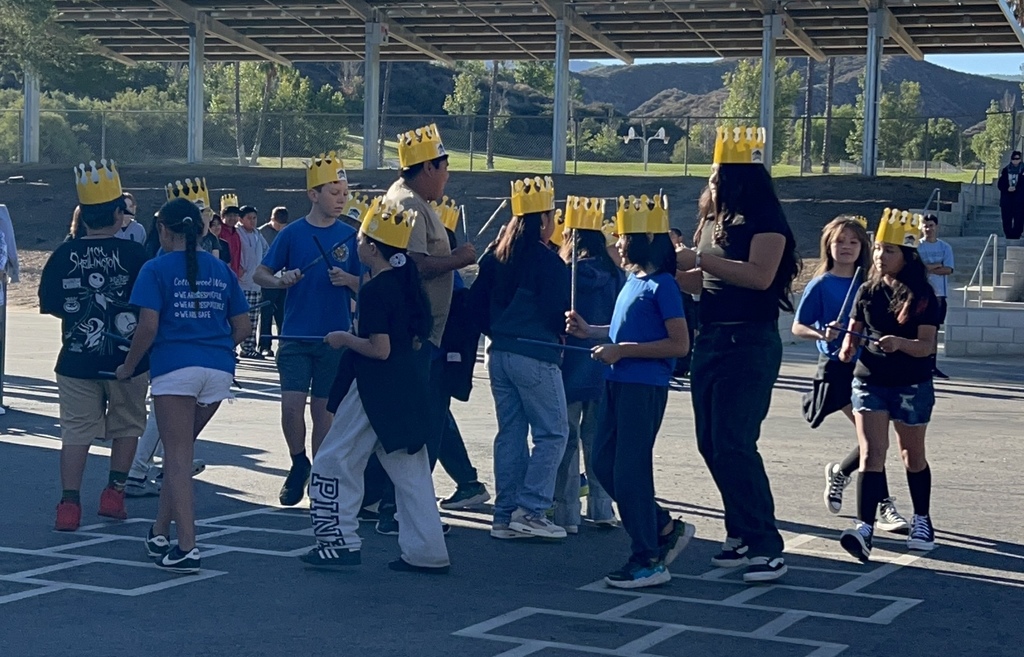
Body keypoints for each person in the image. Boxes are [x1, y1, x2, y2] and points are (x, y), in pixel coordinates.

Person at [675, 127, 801, 584]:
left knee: (735, 441)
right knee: (710, 442)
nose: (710, 182)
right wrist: (662, 271)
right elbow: (701, 283)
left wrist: (700, 259)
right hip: (710, 339)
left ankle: (766, 543)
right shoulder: (712, 222)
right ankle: (741, 531)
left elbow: (759, 276)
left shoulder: (767, 222)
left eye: (717, 174)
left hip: (749, 342)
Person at [302, 198, 450, 574]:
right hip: (407, 388)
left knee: (333, 460)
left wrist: (343, 338)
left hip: (372, 389)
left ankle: (337, 542)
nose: (358, 245)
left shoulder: (374, 290)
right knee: (411, 473)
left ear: (371, 247)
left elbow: (379, 349)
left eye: (361, 240)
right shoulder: (407, 285)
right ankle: (428, 552)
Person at [567, 193, 694, 588]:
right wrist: (592, 331)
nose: (617, 243)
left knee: (630, 471)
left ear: (645, 239)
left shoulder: (663, 285)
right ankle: (660, 525)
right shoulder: (632, 280)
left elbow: (679, 344)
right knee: (603, 464)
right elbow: (626, 329)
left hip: (644, 387)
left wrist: (622, 351)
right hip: (617, 382)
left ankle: (647, 558)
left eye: (623, 237)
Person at [116, 197, 250, 573]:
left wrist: (129, 366)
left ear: (163, 229)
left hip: (175, 368)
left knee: (176, 459)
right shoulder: (220, 269)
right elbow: (243, 327)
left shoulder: (155, 268)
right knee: (180, 452)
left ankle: (187, 546)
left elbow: (147, 327)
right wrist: (215, 348)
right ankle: (160, 531)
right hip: (218, 371)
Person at [372, 124, 477, 535]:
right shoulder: (408, 206)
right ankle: (397, 509)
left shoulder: (413, 201)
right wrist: (458, 259)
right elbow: (412, 265)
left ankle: (396, 505)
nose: (447, 177)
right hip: (415, 335)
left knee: (424, 420)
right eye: (444, 168)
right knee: (418, 424)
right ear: (428, 167)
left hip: (423, 334)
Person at [38, 160, 150, 532]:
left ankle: (69, 504)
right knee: (127, 425)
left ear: (82, 216)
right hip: (128, 359)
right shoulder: (136, 256)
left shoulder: (62, 254)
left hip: (75, 359)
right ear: (119, 214)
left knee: (75, 431)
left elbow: (52, 304)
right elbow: (150, 307)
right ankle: (113, 494)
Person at [253, 153, 361, 506]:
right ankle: (299, 462)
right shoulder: (292, 233)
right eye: (334, 192)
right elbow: (260, 274)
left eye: (344, 193)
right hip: (295, 335)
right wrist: (280, 280)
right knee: (291, 407)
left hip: (335, 338)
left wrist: (349, 280)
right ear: (313, 195)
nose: (341, 199)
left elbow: (372, 285)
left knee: (323, 413)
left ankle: (321, 475)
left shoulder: (351, 236)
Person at [469, 176, 570, 540]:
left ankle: (505, 514)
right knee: (553, 433)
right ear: (543, 220)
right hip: (535, 352)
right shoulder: (549, 262)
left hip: (497, 351)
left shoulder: (496, 256)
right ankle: (531, 509)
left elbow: (475, 303)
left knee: (510, 432)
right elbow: (557, 312)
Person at [792, 216, 909, 532]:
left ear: (863, 247)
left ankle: (842, 474)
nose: (846, 247)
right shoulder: (821, 284)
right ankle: (882, 505)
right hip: (838, 369)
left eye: (853, 242)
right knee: (875, 442)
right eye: (840, 241)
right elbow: (798, 326)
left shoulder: (871, 284)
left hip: (870, 366)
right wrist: (822, 334)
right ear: (828, 246)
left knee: (875, 441)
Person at [837, 209, 940, 562]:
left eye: (889, 250)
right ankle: (864, 527)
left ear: (907, 255)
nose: (880, 256)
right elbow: (853, 333)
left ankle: (922, 519)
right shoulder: (867, 289)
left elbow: (926, 346)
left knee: (912, 455)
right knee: (871, 453)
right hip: (870, 380)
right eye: (878, 248)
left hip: (911, 384)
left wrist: (899, 343)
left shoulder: (924, 296)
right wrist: (845, 345)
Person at [553, 197, 623, 533]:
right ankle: (602, 506)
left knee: (566, 441)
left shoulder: (566, 274)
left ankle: (567, 512)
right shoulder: (616, 275)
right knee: (598, 440)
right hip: (604, 365)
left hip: (569, 365)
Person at [431, 197, 491, 511]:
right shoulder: (448, 278)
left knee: (434, 419)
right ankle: (466, 481)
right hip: (443, 357)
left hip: (440, 357)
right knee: (438, 418)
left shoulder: (446, 281)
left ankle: (465, 481)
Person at [917, 214, 954, 380]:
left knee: (934, 331)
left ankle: (932, 365)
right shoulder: (917, 246)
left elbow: (948, 269)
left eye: (931, 225)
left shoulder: (945, 247)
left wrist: (927, 268)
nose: (928, 229)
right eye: (925, 226)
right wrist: (936, 265)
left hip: (938, 295)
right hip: (920, 294)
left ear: (936, 227)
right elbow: (917, 269)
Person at [236, 205, 270, 359]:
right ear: (241, 219)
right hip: (240, 283)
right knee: (237, 317)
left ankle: (248, 348)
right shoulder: (237, 232)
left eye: (254, 218)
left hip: (255, 283)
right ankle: (232, 347)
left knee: (253, 318)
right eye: (249, 218)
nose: (252, 221)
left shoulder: (258, 234)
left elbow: (267, 250)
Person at [258, 206, 289, 356]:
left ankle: (284, 344)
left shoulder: (288, 232)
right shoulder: (262, 233)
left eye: (283, 225)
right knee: (266, 314)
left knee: (282, 314)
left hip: (284, 279)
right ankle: (264, 345)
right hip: (268, 279)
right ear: (272, 219)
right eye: (278, 224)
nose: (280, 228)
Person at [998, 151, 1024, 241]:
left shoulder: (1023, 170)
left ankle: (1017, 235)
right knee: (1006, 218)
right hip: (1007, 199)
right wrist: (1007, 188)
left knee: (1019, 219)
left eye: (1017, 159)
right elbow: (1000, 184)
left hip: (1020, 200)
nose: (1015, 161)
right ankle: (1008, 235)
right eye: (1013, 159)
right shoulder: (1006, 170)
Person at [219, 196, 244, 278]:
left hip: (234, 275)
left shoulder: (236, 234)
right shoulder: (219, 231)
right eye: (229, 215)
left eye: (235, 215)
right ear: (223, 216)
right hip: (222, 274)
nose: (232, 218)